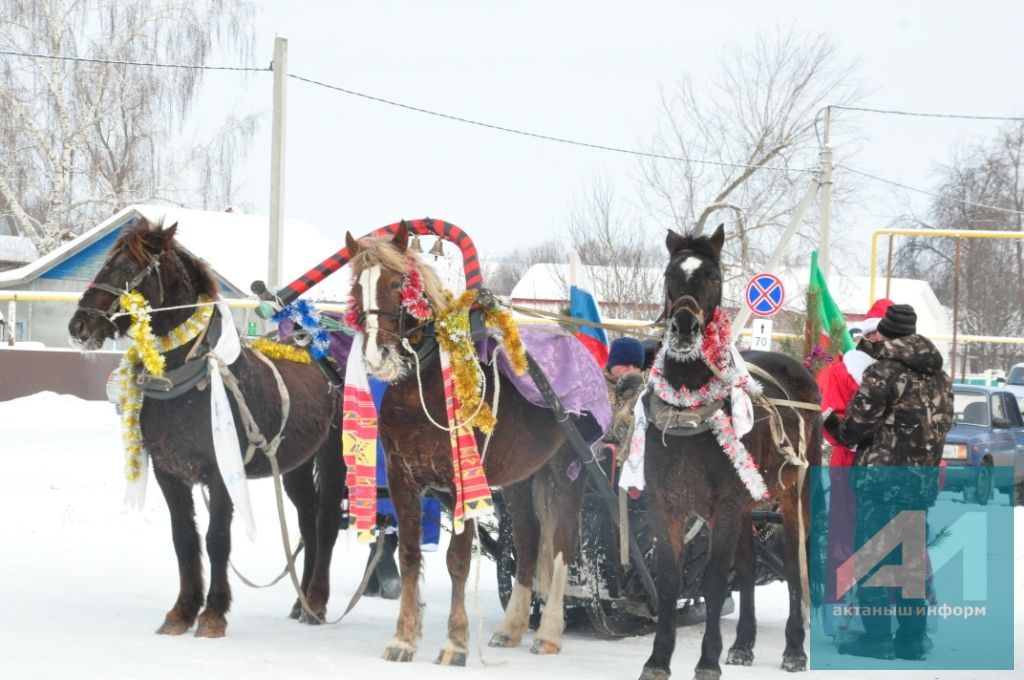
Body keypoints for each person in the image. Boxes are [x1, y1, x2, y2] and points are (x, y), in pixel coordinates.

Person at [824, 303, 954, 661]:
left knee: (872, 560)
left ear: (885, 334)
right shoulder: (939, 376)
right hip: (919, 483)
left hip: (881, 481)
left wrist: (828, 422)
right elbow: (944, 426)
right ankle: (911, 641)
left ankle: (877, 639)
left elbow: (854, 429)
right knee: (910, 561)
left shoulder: (883, 373)